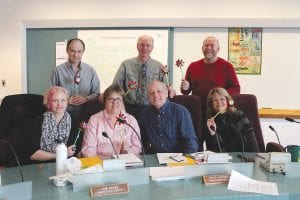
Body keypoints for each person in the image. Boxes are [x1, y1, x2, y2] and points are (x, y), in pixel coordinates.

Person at [113, 35, 176, 119]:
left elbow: (165, 87)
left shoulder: (159, 66)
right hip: (130, 109)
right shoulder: (126, 64)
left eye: (148, 45)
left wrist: (171, 89)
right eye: (142, 45)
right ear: (137, 46)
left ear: (152, 48)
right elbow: (116, 86)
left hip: (151, 110)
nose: (144, 48)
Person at [81, 84, 141, 159]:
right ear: (105, 102)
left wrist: (127, 151)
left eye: (118, 99)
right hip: (101, 164)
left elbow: (138, 147)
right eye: (111, 99)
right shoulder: (94, 120)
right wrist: (101, 165)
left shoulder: (131, 121)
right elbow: (88, 150)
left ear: (123, 102)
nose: (115, 102)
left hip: (125, 163)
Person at [180, 36, 240, 112]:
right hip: (197, 110)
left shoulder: (227, 66)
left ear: (218, 49)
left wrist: (221, 96)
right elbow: (185, 92)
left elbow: (236, 88)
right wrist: (185, 88)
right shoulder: (192, 66)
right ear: (202, 48)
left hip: (218, 111)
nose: (208, 48)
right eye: (206, 45)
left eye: (212, 45)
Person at [139, 80, 198, 153]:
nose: (155, 95)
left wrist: (182, 161)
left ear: (166, 93)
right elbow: (142, 140)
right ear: (148, 97)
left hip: (177, 159)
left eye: (159, 91)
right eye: (152, 93)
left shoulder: (180, 112)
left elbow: (191, 144)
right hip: (155, 158)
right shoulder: (145, 113)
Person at [29, 86, 76, 162]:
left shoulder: (74, 122)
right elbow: (33, 154)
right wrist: (62, 154)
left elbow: (74, 151)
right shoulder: (39, 120)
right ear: (49, 103)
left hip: (65, 165)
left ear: (67, 102)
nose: (59, 104)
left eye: (63, 100)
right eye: (55, 100)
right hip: (41, 165)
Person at [205, 87, 259, 152]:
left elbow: (251, 140)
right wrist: (212, 133)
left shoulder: (239, 115)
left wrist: (255, 158)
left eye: (222, 99)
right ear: (211, 104)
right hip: (223, 159)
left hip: (245, 157)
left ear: (228, 101)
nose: (219, 102)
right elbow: (213, 150)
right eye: (215, 100)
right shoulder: (209, 121)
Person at [50, 38, 100, 107]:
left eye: (79, 51)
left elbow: (97, 94)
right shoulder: (57, 71)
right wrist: (66, 100)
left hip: (86, 112)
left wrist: (86, 99)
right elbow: (51, 95)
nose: (76, 54)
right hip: (64, 113)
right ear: (67, 50)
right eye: (73, 51)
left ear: (83, 52)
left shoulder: (91, 71)